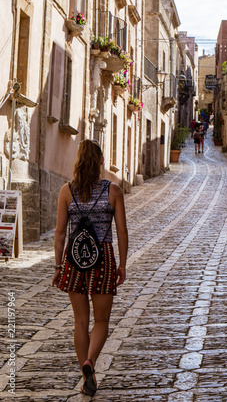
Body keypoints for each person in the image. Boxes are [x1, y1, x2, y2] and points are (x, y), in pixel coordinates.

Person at [52, 139, 128, 397]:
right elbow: (121, 231)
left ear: (79, 160)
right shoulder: (113, 190)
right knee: (101, 320)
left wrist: (58, 265)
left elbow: (60, 233)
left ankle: (87, 376)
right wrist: (123, 264)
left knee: (80, 320)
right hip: (103, 259)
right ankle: (91, 362)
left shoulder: (66, 191)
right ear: (102, 162)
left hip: (74, 261)